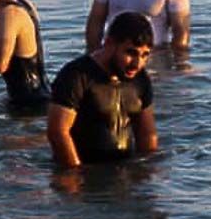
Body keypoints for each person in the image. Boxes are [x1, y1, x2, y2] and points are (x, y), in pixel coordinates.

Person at [48, 12, 158, 167]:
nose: (137, 63)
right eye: (130, 53)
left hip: (126, 170)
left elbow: (147, 135)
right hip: (86, 171)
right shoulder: (77, 76)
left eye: (145, 55)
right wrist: (73, 175)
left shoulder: (140, 79)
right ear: (109, 44)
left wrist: (148, 175)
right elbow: (57, 132)